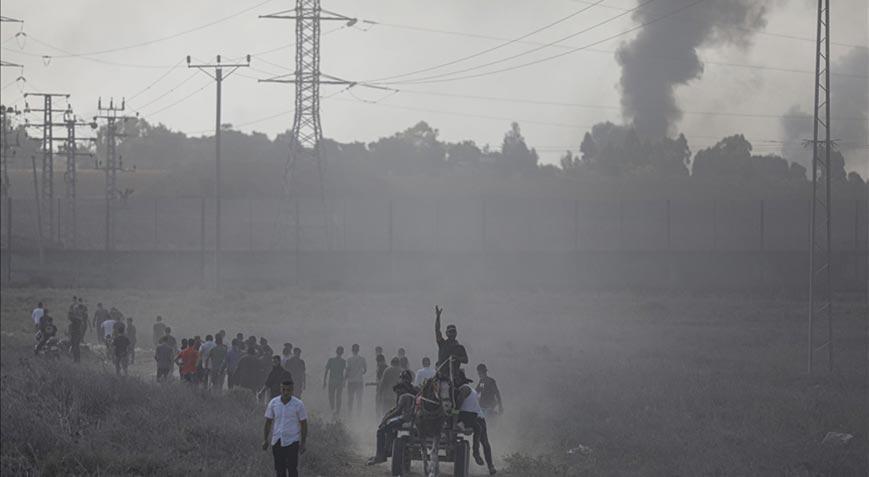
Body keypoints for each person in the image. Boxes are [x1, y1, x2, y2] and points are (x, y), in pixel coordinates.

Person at [366, 370, 419, 465]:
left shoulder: (402, 391)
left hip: (404, 418)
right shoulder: (415, 390)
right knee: (390, 425)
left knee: (381, 430)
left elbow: (398, 410)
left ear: (402, 379)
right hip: (414, 419)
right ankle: (388, 449)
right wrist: (389, 413)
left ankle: (380, 455)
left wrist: (386, 418)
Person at [263, 380, 307, 477]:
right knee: (279, 470)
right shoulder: (273, 403)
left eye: (288, 390)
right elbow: (268, 422)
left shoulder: (298, 404)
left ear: (292, 390)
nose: (286, 392)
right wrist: (265, 440)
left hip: (292, 441)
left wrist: (303, 443)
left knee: (292, 469)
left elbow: (304, 424)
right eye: (283, 389)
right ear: (280, 389)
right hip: (277, 441)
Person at [456, 371, 496, 475]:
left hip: (478, 416)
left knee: (484, 441)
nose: (454, 381)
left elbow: (458, 403)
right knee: (484, 440)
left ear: (459, 380)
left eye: (456, 379)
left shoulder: (464, 388)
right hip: (471, 416)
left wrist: (454, 414)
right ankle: (486, 462)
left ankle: (488, 464)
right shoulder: (464, 389)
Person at [434, 305, 468, 380]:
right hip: (442, 377)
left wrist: (456, 357)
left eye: (453, 331)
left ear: (456, 333)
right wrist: (438, 317)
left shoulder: (460, 347)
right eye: (450, 332)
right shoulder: (442, 343)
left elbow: (466, 360)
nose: (452, 333)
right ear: (446, 333)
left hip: (455, 378)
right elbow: (437, 330)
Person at [323, 346, 346, 417]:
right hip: (338, 381)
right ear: (342, 353)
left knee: (332, 397)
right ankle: (336, 411)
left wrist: (324, 381)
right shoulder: (343, 361)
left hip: (333, 381)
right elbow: (346, 372)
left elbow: (326, 371)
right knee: (338, 397)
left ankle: (333, 410)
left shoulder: (331, 360)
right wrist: (344, 381)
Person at [345, 343, 367, 416]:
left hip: (351, 381)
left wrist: (344, 379)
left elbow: (347, 370)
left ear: (352, 350)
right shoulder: (362, 359)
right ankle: (359, 414)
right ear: (358, 350)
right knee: (359, 399)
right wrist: (360, 373)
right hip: (359, 381)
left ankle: (349, 414)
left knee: (350, 399)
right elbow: (365, 370)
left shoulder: (349, 359)